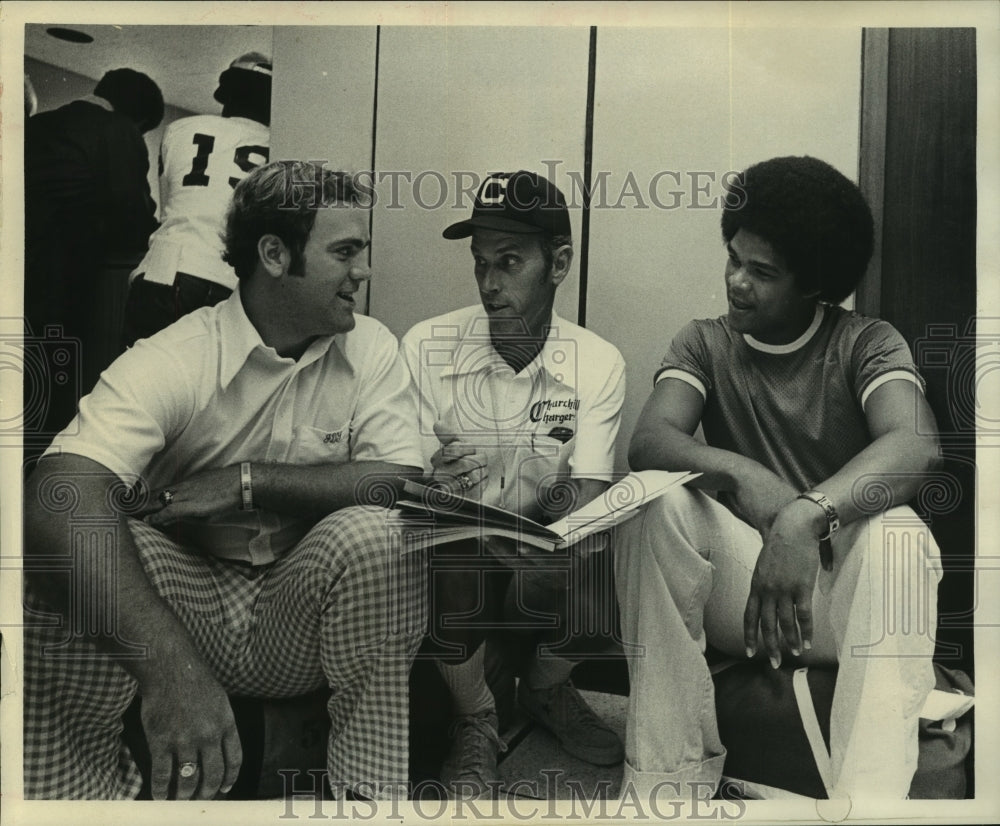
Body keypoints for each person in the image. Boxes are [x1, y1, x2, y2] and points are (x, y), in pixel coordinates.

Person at [23, 160, 426, 801]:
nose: (364, 272)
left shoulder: (371, 346)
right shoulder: (179, 352)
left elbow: (401, 480)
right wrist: (169, 668)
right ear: (273, 254)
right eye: (345, 251)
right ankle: (77, 802)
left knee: (382, 533)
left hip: (302, 612)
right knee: (69, 556)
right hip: (189, 604)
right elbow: (54, 496)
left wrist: (250, 480)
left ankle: (370, 799)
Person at [616, 155, 943, 800]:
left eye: (761, 273)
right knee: (652, 505)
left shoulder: (867, 342)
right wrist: (743, 474)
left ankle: (868, 802)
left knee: (901, 534)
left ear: (813, 284)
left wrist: (804, 514)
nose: (736, 281)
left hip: (838, 600)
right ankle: (665, 786)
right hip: (750, 596)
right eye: (733, 258)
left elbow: (917, 444)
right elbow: (651, 442)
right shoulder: (703, 343)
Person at [401, 171, 627, 799]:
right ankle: (477, 718)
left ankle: (549, 686)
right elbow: (405, 479)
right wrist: (430, 482)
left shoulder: (598, 361)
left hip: (538, 559)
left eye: (508, 262)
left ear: (559, 263)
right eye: (480, 264)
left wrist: (560, 534)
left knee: (605, 543)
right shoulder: (427, 344)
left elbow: (587, 488)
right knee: (447, 537)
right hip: (453, 564)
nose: (490, 284)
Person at [24, 68, 163, 456]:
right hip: (61, 281)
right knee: (52, 406)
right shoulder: (119, 130)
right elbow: (134, 219)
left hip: (17, 268)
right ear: (138, 119)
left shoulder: (36, 124)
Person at [122, 53, 272, 347]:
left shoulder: (180, 129)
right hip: (232, 281)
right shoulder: (276, 144)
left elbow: (171, 204)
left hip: (166, 266)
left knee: (140, 381)